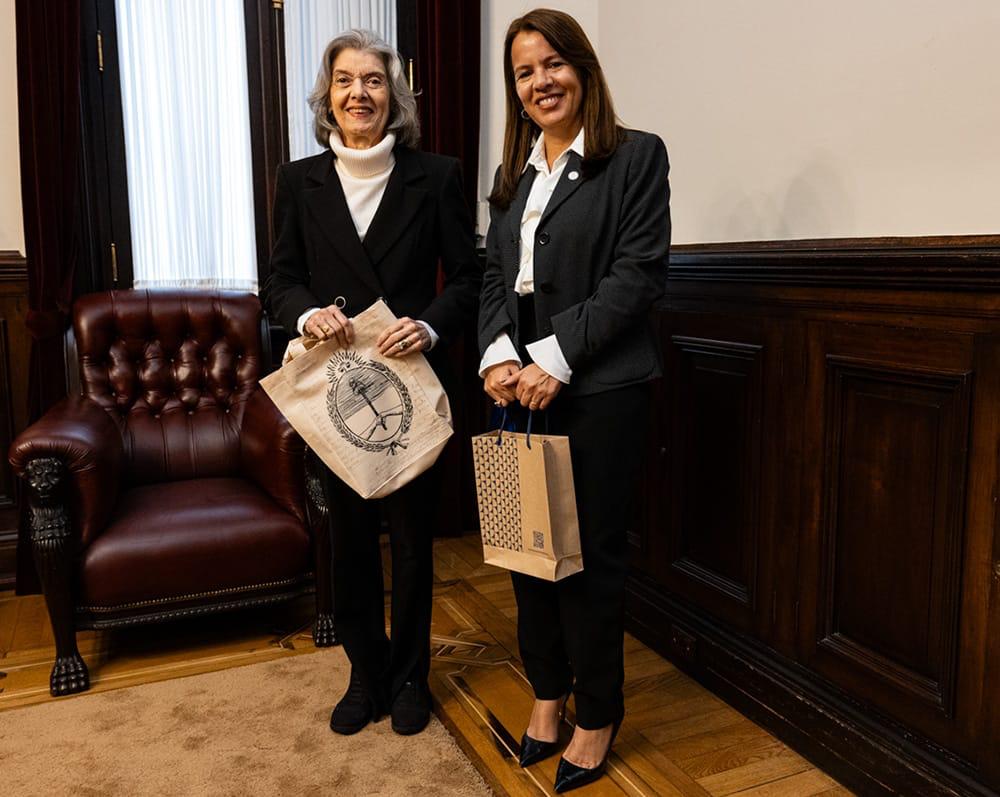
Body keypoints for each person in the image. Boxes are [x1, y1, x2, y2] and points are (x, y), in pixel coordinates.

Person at [266, 29, 480, 737]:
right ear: (327, 98)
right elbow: (281, 281)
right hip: (335, 392)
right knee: (349, 542)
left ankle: (411, 674)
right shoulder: (298, 181)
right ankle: (365, 672)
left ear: (396, 95)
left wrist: (430, 325)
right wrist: (305, 315)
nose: (360, 93)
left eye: (374, 81)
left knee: (415, 542)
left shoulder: (439, 175)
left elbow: (472, 277)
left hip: (412, 389)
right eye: (346, 81)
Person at [478, 8, 670, 792]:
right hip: (515, 393)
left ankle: (598, 713)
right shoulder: (511, 179)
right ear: (515, 90)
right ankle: (547, 696)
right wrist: (496, 356)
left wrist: (555, 356)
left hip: (599, 391)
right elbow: (496, 279)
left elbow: (637, 275)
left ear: (583, 68)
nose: (541, 81)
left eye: (554, 63)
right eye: (525, 72)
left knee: (589, 564)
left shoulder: (636, 159)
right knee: (527, 559)